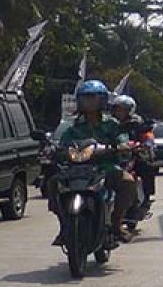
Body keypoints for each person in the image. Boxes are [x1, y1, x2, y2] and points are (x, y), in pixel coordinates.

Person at [54, 80, 137, 244]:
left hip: (105, 167)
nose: (89, 103)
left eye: (93, 99)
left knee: (128, 182)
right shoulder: (72, 126)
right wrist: (54, 150)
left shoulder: (112, 124)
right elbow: (62, 143)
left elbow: (122, 138)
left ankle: (116, 223)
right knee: (52, 184)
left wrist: (122, 146)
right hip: (76, 168)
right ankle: (64, 226)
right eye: (85, 99)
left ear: (103, 101)